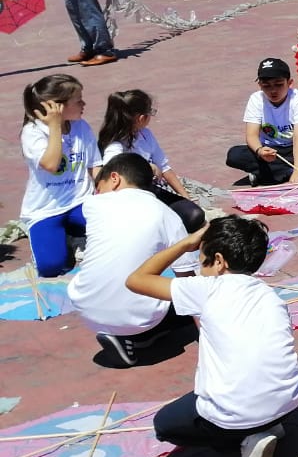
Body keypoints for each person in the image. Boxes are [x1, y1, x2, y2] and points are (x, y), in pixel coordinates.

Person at [127, 215, 298, 457]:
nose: (200, 270)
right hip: (290, 399)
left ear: (219, 262)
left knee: (165, 425)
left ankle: (246, 438)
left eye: (202, 261)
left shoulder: (207, 288)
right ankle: (270, 423)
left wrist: (185, 243)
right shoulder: (270, 295)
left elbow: (137, 279)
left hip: (236, 413)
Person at [69, 153, 200, 367]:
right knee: (191, 294)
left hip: (87, 308)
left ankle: (128, 335)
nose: (96, 191)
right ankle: (138, 335)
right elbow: (187, 281)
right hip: (140, 315)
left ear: (114, 179)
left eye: (97, 185)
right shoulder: (167, 214)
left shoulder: (92, 205)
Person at [20, 73, 100, 277]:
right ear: (57, 107)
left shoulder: (82, 126)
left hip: (81, 201)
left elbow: (94, 165)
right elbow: (51, 164)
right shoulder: (33, 132)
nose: (84, 103)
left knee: (116, 232)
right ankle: (66, 237)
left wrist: (106, 196)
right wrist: (55, 126)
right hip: (46, 209)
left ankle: (74, 234)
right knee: (51, 267)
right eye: (78, 100)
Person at [98, 88, 206, 232]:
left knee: (195, 214)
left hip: (151, 191)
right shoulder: (115, 145)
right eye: (151, 113)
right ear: (141, 118)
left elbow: (164, 166)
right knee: (157, 224)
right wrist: (148, 167)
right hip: (129, 199)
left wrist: (184, 196)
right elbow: (113, 169)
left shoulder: (145, 134)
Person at [225, 58, 298, 186]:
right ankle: (295, 171)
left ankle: (272, 174)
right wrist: (260, 151)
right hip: (271, 151)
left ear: (290, 83)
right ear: (260, 85)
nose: (273, 90)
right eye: (266, 86)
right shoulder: (256, 99)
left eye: (278, 84)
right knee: (235, 155)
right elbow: (251, 135)